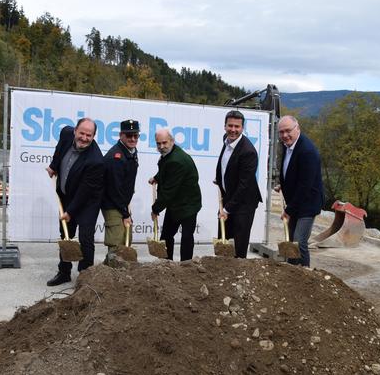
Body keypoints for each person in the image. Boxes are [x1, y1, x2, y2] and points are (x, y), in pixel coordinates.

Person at [45, 117, 104, 286]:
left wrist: (70, 212)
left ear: (93, 136)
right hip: (66, 196)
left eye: (89, 135)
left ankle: (85, 277)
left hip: (87, 202)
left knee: (85, 238)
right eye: (82, 133)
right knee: (66, 235)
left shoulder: (96, 161)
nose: (84, 138)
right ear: (75, 131)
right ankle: (64, 272)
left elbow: (85, 192)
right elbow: (59, 150)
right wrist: (54, 165)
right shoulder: (66, 133)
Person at [277, 115, 324, 267]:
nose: (284, 135)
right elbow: (292, 172)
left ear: (297, 128)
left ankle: (305, 277)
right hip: (296, 202)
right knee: (291, 240)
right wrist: (283, 185)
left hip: (307, 204)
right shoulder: (288, 146)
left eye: (288, 131)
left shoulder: (307, 151)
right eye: (281, 132)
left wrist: (288, 210)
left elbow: (305, 185)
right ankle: (291, 272)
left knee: (299, 241)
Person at [214, 109, 262, 258]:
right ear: (225, 126)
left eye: (237, 127)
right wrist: (220, 179)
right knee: (224, 237)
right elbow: (226, 165)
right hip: (229, 196)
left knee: (239, 243)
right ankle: (222, 269)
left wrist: (227, 210)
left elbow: (244, 185)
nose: (233, 130)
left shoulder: (249, 152)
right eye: (230, 126)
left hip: (244, 202)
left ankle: (239, 272)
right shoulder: (226, 140)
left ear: (243, 128)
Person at [149, 128, 202, 261]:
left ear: (172, 141)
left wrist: (156, 208)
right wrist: (157, 177)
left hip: (188, 204)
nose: (161, 147)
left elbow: (169, 190)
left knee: (186, 237)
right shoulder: (171, 154)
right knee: (166, 235)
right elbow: (166, 171)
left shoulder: (177, 160)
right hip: (175, 203)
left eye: (164, 143)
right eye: (158, 143)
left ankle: (186, 266)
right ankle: (166, 264)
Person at [101, 119, 140, 259]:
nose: (133, 139)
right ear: (121, 135)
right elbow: (114, 189)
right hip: (112, 204)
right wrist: (125, 214)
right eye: (129, 135)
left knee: (126, 239)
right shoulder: (115, 157)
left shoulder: (130, 152)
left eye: (136, 135)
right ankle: (110, 276)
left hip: (122, 203)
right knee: (116, 243)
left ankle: (121, 276)